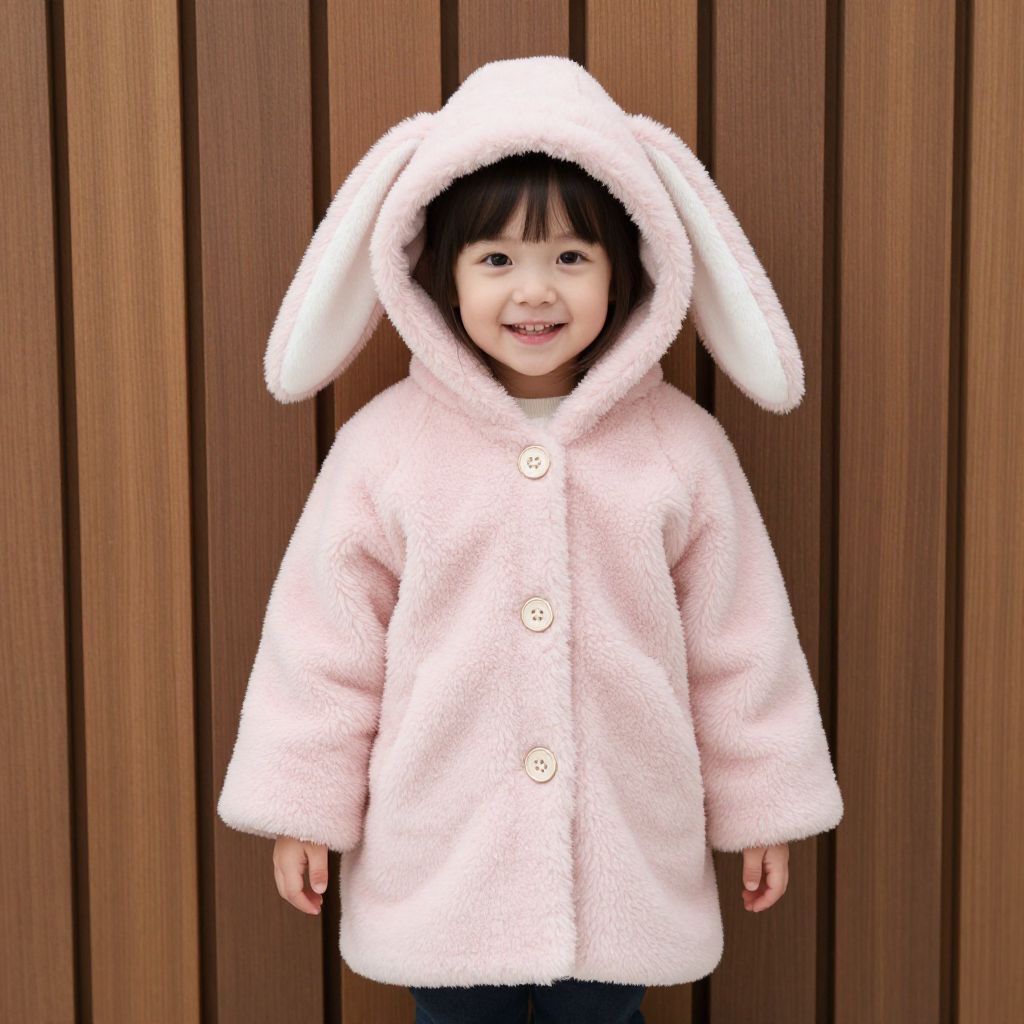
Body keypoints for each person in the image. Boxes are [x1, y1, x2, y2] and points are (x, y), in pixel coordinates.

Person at [217, 56, 843, 1024]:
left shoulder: (678, 447)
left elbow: (740, 641)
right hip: (443, 848)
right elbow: (324, 640)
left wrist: (764, 803)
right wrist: (303, 804)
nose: (535, 292)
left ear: (629, 266)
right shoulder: (387, 447)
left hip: (622, 851)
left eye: (571, 258)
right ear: (439, 274)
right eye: (497, 260)